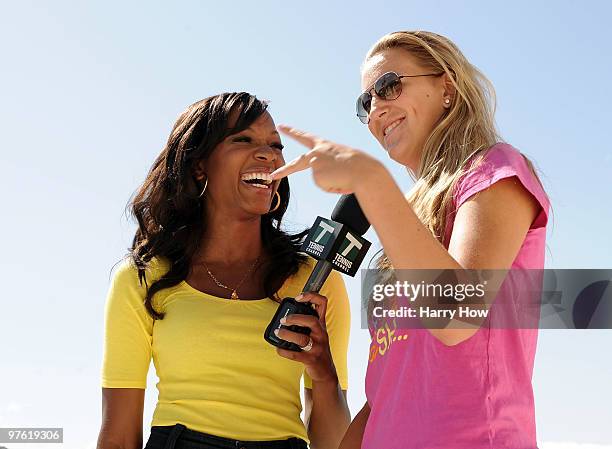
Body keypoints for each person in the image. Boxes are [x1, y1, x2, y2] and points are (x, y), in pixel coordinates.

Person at [270, 31, 550, 448]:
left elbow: (455, 315)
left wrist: (369, 180)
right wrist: (325, 373)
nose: (377, 109)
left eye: (389, 87)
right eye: (366, 103)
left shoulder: (495, 170)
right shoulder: (404, 225)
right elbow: (385, 394)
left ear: (447, 86)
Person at [96, 92, 351, 449]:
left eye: (275, 145)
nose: (269, 154)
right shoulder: (141, 277)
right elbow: (119, 438)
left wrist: (324, 374)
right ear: (199, 164)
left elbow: (334, 443)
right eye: (243, 139)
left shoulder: (315, 279)